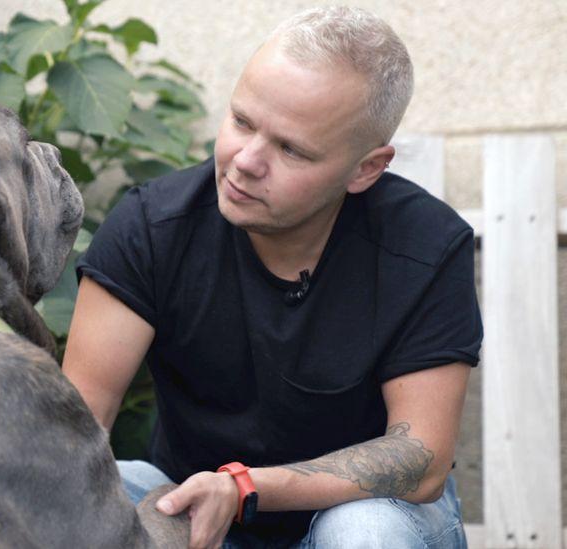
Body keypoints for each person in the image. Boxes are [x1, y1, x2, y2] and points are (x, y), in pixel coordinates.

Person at [62, 6, 482, 549]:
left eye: (290, 149)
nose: (245, 161)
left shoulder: (424, 247)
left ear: (366, 169)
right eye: (241, 121)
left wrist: (245, 487)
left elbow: (419, 458)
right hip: (194, 500)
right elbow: (75, 428)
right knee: (107, 494)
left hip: (367, 513)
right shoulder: (153, 228)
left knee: (364, 532)